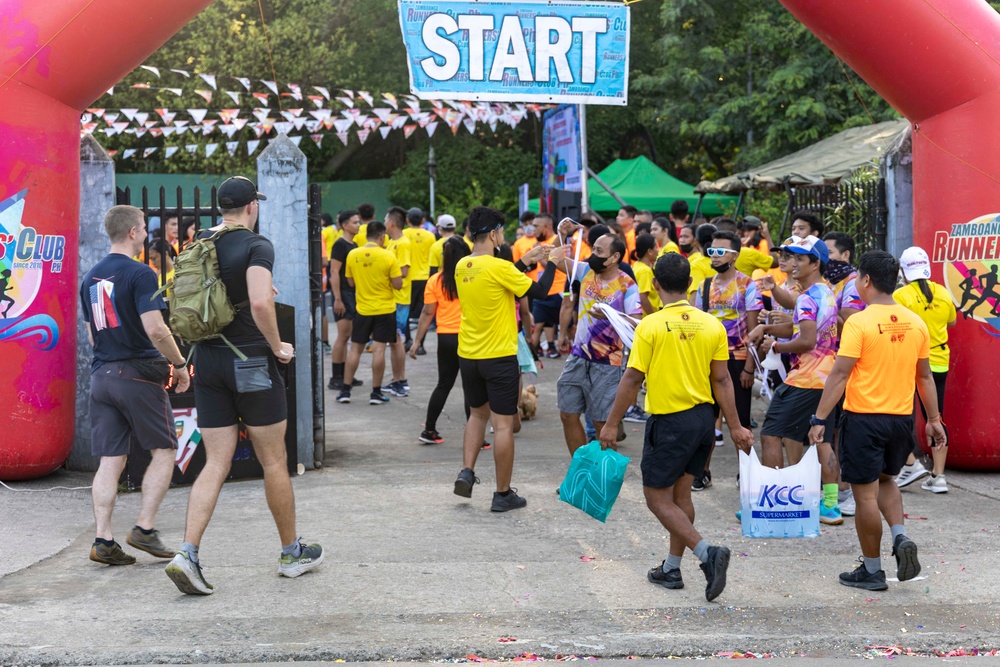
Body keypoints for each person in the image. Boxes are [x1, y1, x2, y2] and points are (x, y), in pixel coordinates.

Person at [165, 177, 322, 595]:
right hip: (249, 358)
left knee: (216, 461)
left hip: (208, 361)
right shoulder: (256, 244)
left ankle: (188, 553)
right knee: (273, 459)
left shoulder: (200, 242)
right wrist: (278, 346)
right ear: (252, 206)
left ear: (222, 207)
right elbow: (258, 301)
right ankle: (291, 553)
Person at [600, 253, 754, 601]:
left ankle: (707, 554)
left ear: (654, 286)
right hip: (703, 422)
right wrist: (735, 426)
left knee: (657, 498)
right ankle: (671, 567)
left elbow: (631, 378)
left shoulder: (651, 325)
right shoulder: (712, 325)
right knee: (681, 497)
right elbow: (722, 380)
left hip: (669, 422)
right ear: (690, 284)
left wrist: (611, 424)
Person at [808, 250, 946, 591]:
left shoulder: (860, 322)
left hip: (865, 420)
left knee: (864, 496)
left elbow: (840, 374)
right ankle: (900, 537)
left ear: (866, 280)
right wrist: (934, 419)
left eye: (858, 277)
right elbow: (925, 377)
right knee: (887, 481)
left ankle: (872, 570)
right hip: (901, 420)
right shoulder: (915, 322)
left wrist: (819, 417)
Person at [80, 205, 191, 567]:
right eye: (143, 227)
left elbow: (91, 336)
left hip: (102, 376)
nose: (146, 232)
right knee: (164, 449)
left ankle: (104, 539)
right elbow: (156, 329)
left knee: (110, 461)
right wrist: (179, 364)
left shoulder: (90, 278)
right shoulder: (141, 273)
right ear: (132, 233)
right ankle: (144, 528)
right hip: (138, 375)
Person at [453, 206, 567, 512]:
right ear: (492, 234)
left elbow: (499, 278)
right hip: (499, 356)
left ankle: (467, 471)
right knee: (503, 425)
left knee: (477, 415)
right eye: (501, 231)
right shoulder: (500, 267)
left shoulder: (463, 265)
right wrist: (552, 262)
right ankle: (502, 494)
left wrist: (526, 262)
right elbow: (541, 291)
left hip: (469, 355)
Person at [751, 235, 844, 524]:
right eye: (790, 257)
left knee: (770, 434)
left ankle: (775, 501)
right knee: (823, 439)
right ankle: (830, 505)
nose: (792, 265)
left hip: (805, 378)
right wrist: (767, 326)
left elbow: (806, 339)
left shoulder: (806, 296)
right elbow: (811, 326)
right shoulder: (825, 291)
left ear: (816, 263)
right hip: (827, 378)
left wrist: (775, 345)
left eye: (799, 259)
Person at [556, 234, 641, 456]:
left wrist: (609, 314)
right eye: (593, 249)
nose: (593, 255)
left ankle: (603, 477)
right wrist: (561, 233)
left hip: (608, 362)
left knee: (602, 424)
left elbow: (638, 321)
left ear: (614, 257)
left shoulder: (627, 285)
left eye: (599, 251)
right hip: (578, 357)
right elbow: (555, 258)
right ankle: (580, 470)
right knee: (567, 414)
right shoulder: (585, 271)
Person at [693, 230, 762, 490]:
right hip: (708, 360)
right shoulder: (704, 286)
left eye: (721, 251)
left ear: (735, 255)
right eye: (711, 251)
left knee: (741, 419)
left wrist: (748, 368)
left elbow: (754, 331)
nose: (715, 256)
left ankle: (745, 472)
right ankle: (702, 471)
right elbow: (699, 323)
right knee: (706, 419)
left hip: (737, 358)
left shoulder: (748, 285)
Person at [893, 246, 956, 493]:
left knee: (898, 414)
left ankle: (910, 463)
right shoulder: (942, 292)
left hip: (910, 361)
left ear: (904, 271)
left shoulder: (901, 295)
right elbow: (951, 321)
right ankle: (939, 476)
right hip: (939, 359)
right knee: (937, 416)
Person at [410, 237, 472, 444]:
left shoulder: (435, 280)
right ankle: (476, 437)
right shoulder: (472, 277)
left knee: (443, 384)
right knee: (470, 386)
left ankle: (429, 430)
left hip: (445, 337)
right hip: (469, 336)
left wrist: (417, 341)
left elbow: (427, 313)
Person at [338, 221, 403, 405]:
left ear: (367, 235)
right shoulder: (388, 256)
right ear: (382, 237)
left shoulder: (353, 254)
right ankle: (375, 393)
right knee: (379, 350)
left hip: (363, 309)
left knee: (355, 349)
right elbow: (398, 284)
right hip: (385, 309)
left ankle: (345, 390)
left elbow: (351, 283)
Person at [328, 209, 363, 391]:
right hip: (342, 294)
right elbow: (334, 272)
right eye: (355, 222)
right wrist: (338, 299)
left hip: (351, 294)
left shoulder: (354, 245)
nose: (358, 225)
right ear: (344, 225)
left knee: (347, 335)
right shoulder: (340, 245)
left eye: (359, 222)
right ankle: (335, 377)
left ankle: (345, 375)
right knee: (342, 336)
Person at [529, 214, 566, 359]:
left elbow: (553, 264)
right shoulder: (539, 243)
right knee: (538, 323)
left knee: (565, 327)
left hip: (558, 290)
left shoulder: (555, 242)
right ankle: (532, 353)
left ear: (547, 227)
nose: (533, 230)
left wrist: (540, 255)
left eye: (536, 226)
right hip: (541, 290)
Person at [384, 206, 412, 396]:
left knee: (397, 341)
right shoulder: (391, 243)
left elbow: (403, 271)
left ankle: (401, 381)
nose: (384, 223)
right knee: (394, 341)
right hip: (392, 299)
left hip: (400, 299)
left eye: (386, 221)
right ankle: (396, 379)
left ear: (392, 223)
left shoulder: (403, 244)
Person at [404, 206, 436, 355]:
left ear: (407, 220)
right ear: (422, 220)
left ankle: (408, 341)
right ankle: (421, 345)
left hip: (408, 278)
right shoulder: (430, 236)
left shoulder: (403, 235)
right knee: (424, 312)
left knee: (406, 312)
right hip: (425, 277)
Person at [681, 223, 715, 301]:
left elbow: (696, 297)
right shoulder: (721, 261)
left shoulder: (697, 265)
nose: (682, 240)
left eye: (686, 236)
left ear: (695, 241)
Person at [632, 233, 662, 316]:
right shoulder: (645, 271)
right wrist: (652, 316)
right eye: (656, 247)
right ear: (649, 251)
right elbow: (643, 297)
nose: (658, 250)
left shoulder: (636, 265)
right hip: (645, 317)